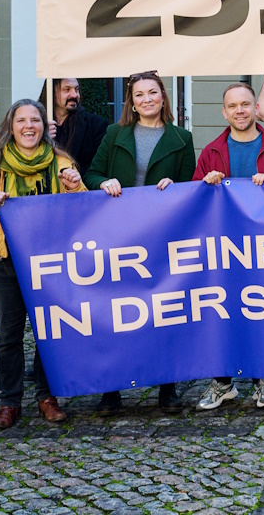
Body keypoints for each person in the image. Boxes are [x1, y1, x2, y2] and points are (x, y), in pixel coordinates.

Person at [0, 99, 86, 429]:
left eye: (35, 119)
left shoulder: (60, 161)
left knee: (49, 332)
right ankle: (10, 402)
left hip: (51, 262)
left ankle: (47, 397)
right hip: (6, 263)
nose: (29, 126)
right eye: (22, 120)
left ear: (43, 125)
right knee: (9, 335)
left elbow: (83, 210)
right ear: (11, 127)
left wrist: (76, 187)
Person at [85, 71, 195, 415]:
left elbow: (189, 185)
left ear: (163, 96)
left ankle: (167, 389)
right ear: (131, 102)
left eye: (152, 93)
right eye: (139, 95)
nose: (146, 99)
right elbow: (91, 173)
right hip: (118, 235)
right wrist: (104, 182)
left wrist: (173, 186)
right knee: (116, 312)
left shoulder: (182, 137)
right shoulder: (115, 133)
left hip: (161, 236)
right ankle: (111, 390)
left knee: (162, 311)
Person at [191, 81, 264, 411]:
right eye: (233, 106)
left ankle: (263, 380)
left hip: (263, 247)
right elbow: (194, 199)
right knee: (222, 312)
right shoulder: (211, 152)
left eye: (246, 104)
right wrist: (206, 185)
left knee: (262, 310)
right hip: (223, 247)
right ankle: (222, 382)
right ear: (224, 112)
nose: (240, 111)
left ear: (255, 108)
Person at [41, 78, 109, 173]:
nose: (74, 95)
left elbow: (97, 168)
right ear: (51, 92)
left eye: (76, 89)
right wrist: (42, 138)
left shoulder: (96, 125)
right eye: (67, 89)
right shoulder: (37, 126)